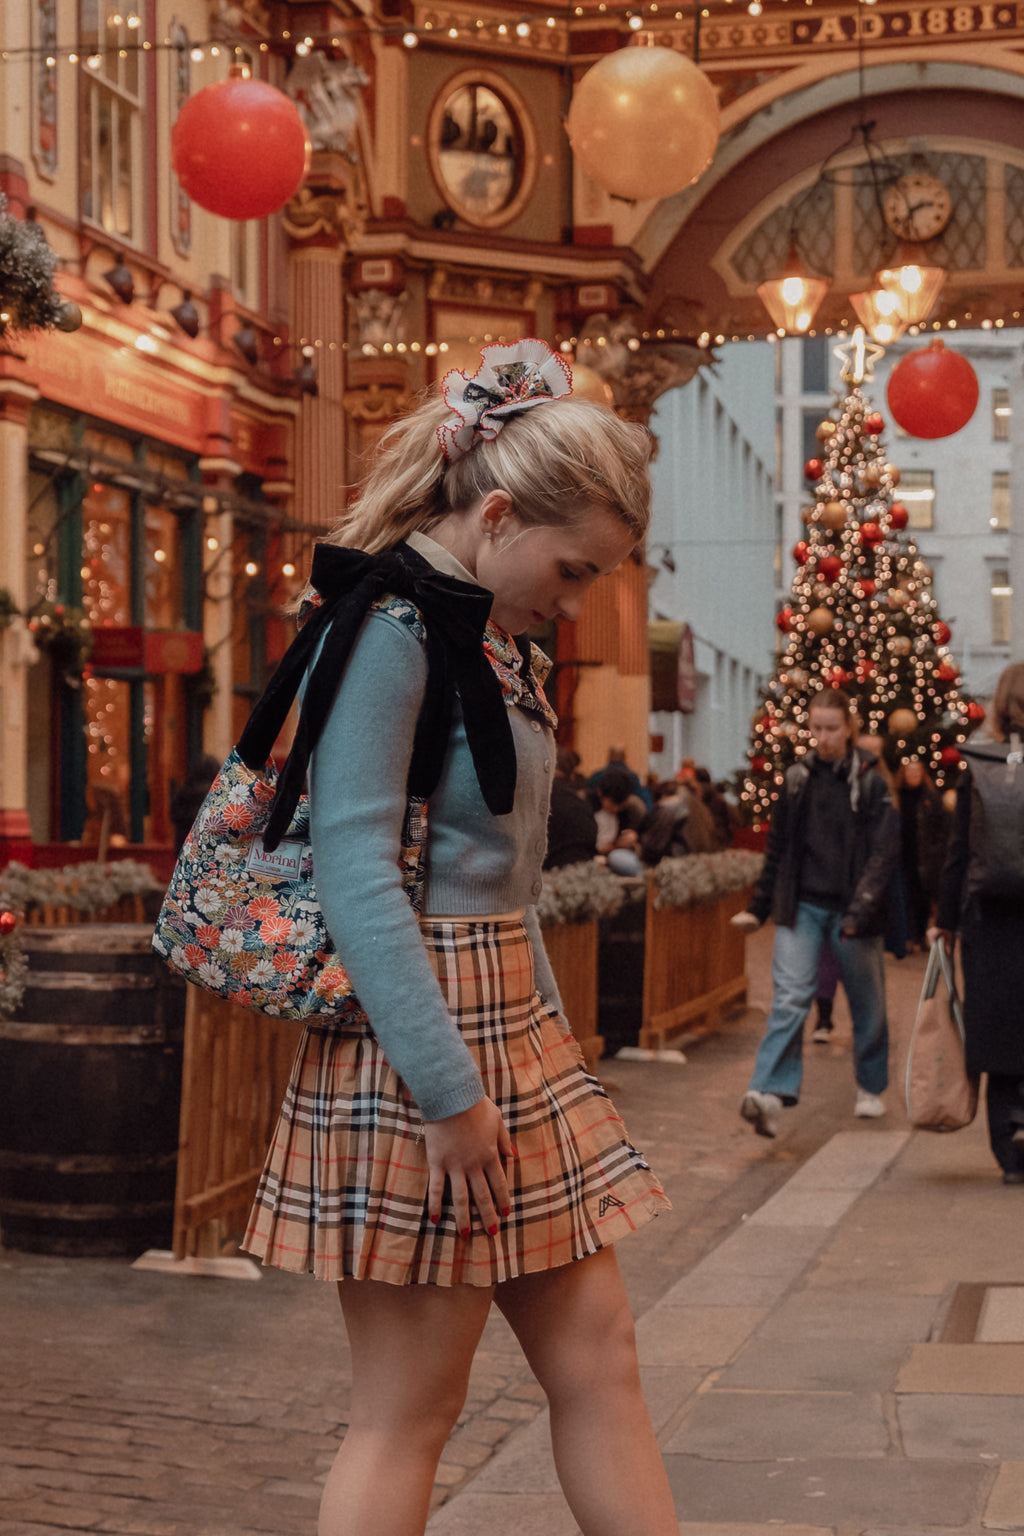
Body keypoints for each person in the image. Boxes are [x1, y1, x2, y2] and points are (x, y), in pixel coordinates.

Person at [242, 339, 677, 1536]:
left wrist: (543, 1053)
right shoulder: (389, 626)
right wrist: (450, 1093)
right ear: (495, 513)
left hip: (503, 1045)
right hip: (419, 1058)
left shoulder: (475, 630)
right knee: (408, 1409)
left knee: (601, 1360)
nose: (576, 598)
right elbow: (357, 873)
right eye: (572, 567)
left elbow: (505, 882)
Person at [732, 688, 897, 1138]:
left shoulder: (870, 779)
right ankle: (768, 1090)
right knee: (790, 996)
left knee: (868, 1002)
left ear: (849, 728)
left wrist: (861, 908)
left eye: (831, 728)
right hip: (802, 904)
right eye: (816, 727)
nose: (821, 737)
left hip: (853, 911)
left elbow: (884, 852)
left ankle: (871, 1085)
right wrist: (758, 908)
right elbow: (778, 847)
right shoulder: (798, 778)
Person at [930, 662, 1024, 1186]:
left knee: (998, 1031)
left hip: (987, 921)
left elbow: (959, 852)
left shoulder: (979, 764)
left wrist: (944, 920)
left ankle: (1008, 1148)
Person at [896, 758, 950, 950]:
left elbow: (942, 828)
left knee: (923, 899)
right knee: (906, 897)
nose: (913, 775)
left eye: (917, 772)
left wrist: (937, 851)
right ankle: (908, 937)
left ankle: (920, 935)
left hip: (926, 857)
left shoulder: (931, 797)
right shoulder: (897, 797)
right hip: (904, 855)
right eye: (910, 772)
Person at [544, 747, 599, 869]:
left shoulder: (540, 801)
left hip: (548, 873)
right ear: (572, 775)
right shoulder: (582, 803)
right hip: (583, 871)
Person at [594, 765, 648, 875]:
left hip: (620, 857)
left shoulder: (634, 807)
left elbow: (648, 841)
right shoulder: (589, 804)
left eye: (621, 805)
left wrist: (635, 839)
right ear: (600, 793)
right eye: (613, 803)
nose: (616, 809)